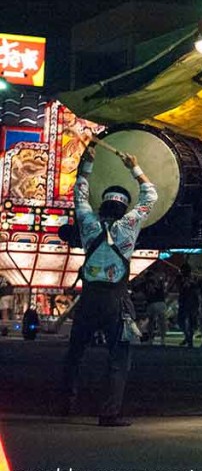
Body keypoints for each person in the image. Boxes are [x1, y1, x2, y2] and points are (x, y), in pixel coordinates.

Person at [62, 143, 157, 426]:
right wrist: (134, 167)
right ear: (123, 206)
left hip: (89, 299)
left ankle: (66, 400)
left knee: (75, 352)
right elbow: (151, 195)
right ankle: (109, 411)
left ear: (102, 204)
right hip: (116, 301)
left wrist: (87, 165)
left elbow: (79, 194)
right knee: (119, 355)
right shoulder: (128, 225)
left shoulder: (88, 224)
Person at [176, 263, 200, 347]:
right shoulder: (181, 278)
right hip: (187, 302)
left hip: (189, 302)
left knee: (189, 321)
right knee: (183, 321)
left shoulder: (193, 278)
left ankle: (189, 338)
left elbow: (196, 291)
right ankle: (188, 337)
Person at [145, 274, 167, 346]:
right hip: (159, 302)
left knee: (152, 321)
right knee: (161, 321)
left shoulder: (148, 284)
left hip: (153, 303)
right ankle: (162, 339)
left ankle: (151, 338)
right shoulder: (158, 285)